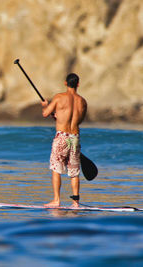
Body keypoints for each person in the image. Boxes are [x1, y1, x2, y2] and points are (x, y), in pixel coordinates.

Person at [40, 73, 87, 208]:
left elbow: (45, 113)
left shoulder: (59, 97)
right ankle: (75, 202)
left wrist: (45, 105)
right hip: (75, 137)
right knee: (74, 171)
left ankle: (56, 200)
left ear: (65, 83)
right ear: (78, 84)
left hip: (62, 136)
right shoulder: (82, 101)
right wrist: (62, 117)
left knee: (56, 169)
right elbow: (79, 120)